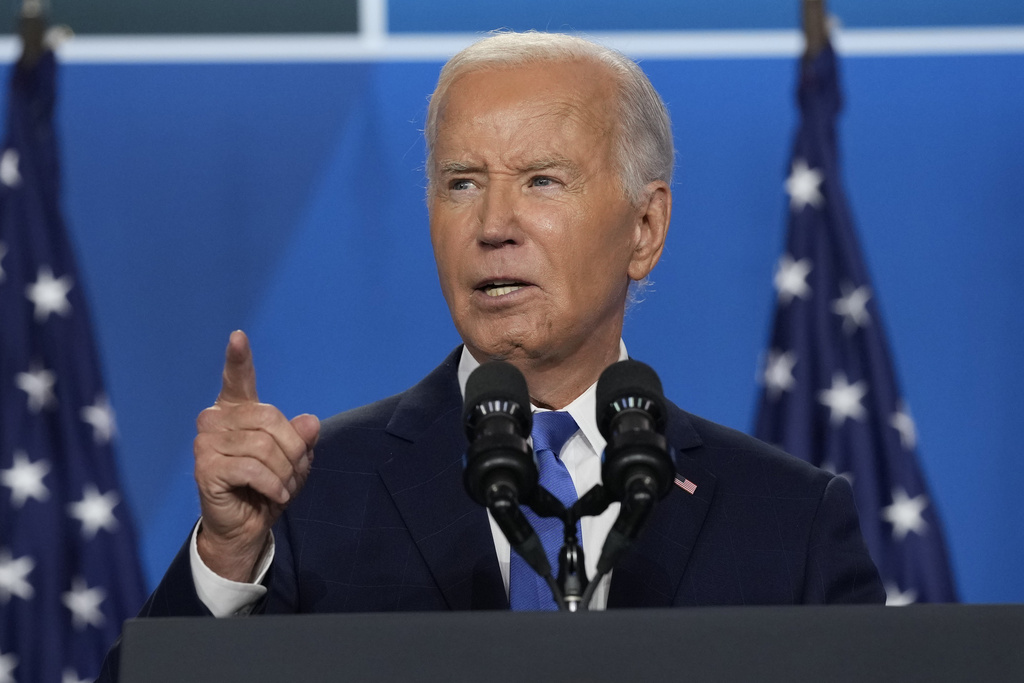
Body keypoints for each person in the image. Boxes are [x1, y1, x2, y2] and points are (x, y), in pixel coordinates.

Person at [99, 28, 883, 680]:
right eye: (462, 183)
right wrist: (227, 559)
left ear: (645, 229)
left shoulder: (789, 521)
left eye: (542, 181)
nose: (494, 225)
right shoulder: (307, 500)